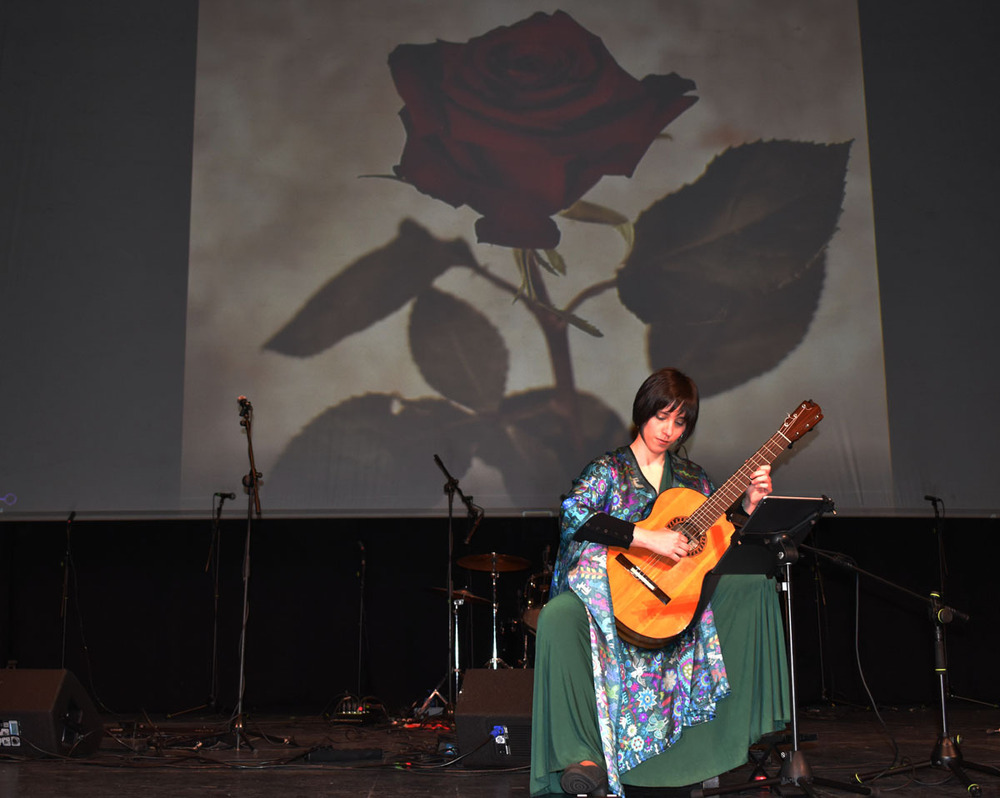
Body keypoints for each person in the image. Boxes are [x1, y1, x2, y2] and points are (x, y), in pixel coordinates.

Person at [529, 368, 790, 797]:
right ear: (642, 413)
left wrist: (747, 507)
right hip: (613, 595)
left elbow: (721, 542)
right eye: (661, 417)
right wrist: (646, 537)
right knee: (558, 616)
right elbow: (573, 516)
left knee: (754, 585)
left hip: (674, 603)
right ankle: (582, 756)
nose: (669, 431)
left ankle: (706, 749)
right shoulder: (609, 469)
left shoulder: (694, 478)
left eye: (680, 422)